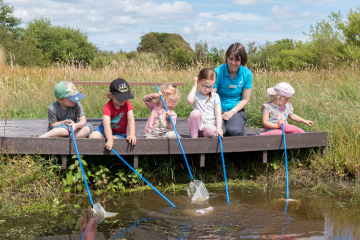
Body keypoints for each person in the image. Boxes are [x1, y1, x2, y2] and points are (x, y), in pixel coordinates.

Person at [214, 42, 252, 136]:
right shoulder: (218, 72)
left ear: (242, 60)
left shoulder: (247, 74)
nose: (233, 63)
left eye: (237, 60)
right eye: (230, 59)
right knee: (219, 131)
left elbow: (245, 99)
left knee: (233, 131)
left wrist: (231, 112)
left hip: (236, 110)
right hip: (218, 108)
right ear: (226, 57)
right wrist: (219, 113)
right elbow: (212, 96)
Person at [89, 78, 136, 149]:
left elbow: (131, 119)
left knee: (116, 141)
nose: (124, 100)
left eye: (125, 97)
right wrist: (109, 139)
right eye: (121, 98)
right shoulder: (107, 107)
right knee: (93, 136)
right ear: (111, 96)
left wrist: (132, 134)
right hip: (105, 129)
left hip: (119, 132)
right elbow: (106, 124)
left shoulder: (127, 104)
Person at [187, 68, 223, 138]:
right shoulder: (196, 94)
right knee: (195, 113)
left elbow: (218, 113)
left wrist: (219, 128)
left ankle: (204, 136)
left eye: (210, 87)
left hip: (209, 126)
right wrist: (195, 85)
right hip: (197, 127)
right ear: (199, 81)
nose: (207, 89)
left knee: (209, 129)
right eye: (204, 86)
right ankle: (194, 137)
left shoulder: (215, 96)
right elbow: (190, 101)